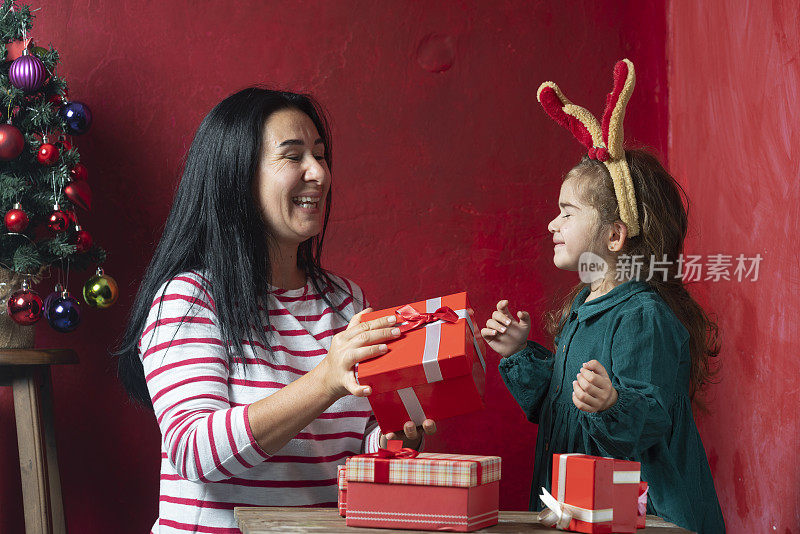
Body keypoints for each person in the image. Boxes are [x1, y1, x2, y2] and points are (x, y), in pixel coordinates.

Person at [115, 88, 436, 533]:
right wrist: (325, 380)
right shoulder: (189, 297)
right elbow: (194, 451)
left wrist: (395, 439)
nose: (319, 173)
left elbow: (354, 448)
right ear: (237, 176)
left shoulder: (347, 302)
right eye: (294, 156)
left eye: (321, 156)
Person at [481, 60, 725, 533]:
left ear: (614, 237)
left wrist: (613, 402)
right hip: (583, 513)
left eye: (567, 212)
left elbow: (649, 419)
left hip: (646, 522)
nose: (553, 224)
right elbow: (561, 406)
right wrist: (518, 354)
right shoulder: (584, 307)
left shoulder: (644, 316)